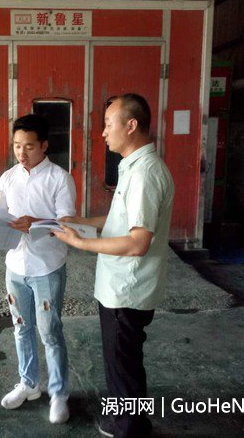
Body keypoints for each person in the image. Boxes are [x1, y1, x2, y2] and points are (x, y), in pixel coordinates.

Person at [53, 94, 174, 438]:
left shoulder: (144, 174)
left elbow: (137, 242)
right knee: (123, 360)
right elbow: (121, 220)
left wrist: (81, 243)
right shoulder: (134, 166)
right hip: (121, 285)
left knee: (123, 364)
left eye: (108, 124)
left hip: (127, 288)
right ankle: (132, 420)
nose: (104, 132)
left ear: (131, 125)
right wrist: (81, 222)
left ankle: (129, 427)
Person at [0, 114, 77, 424]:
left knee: (50, 331)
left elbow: (67, 224)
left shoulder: (59, 178)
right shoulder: (8, 178)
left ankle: (58, 393)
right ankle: (29, 384)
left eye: (28, 146)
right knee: (21, 327)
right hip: (15, 265)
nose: (21, 153)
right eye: (17, 146)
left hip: (47, 266)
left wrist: (35, 222)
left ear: (44, 145)